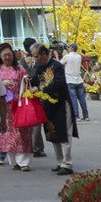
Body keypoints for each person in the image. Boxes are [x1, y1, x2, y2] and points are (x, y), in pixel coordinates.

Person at [28, 43, 73, 174]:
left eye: (37, 56)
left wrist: (40, 89)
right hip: (47, 104)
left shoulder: (57, 66)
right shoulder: (40, 67)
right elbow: (36, 80)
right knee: (52, 133)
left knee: (64, 133)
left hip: (60, 103)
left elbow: (58, 84)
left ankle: (67, 163)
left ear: (44, 54)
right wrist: (28, 81)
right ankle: (60, 161)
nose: (36, 59)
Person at [0, 44, 31, 170]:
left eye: (9, 54)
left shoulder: (20, 69)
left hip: (18, 104)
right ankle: (14, 160)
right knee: (7, 132)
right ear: (0, 56)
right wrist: (2, 83)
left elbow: (26, 83)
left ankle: (23, 161)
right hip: (4, 106)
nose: (7, 57)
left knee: (21, 132)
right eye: (5, 55)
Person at [60, 43, 89, 124]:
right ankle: (86, 115)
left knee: (73, 98)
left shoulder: (67, 56)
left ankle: (76, 115)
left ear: (71, 49)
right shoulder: (79, 56)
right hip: (78, 79)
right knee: (81, 98)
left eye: (68, 48)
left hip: (70, 79)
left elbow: (60, 63)